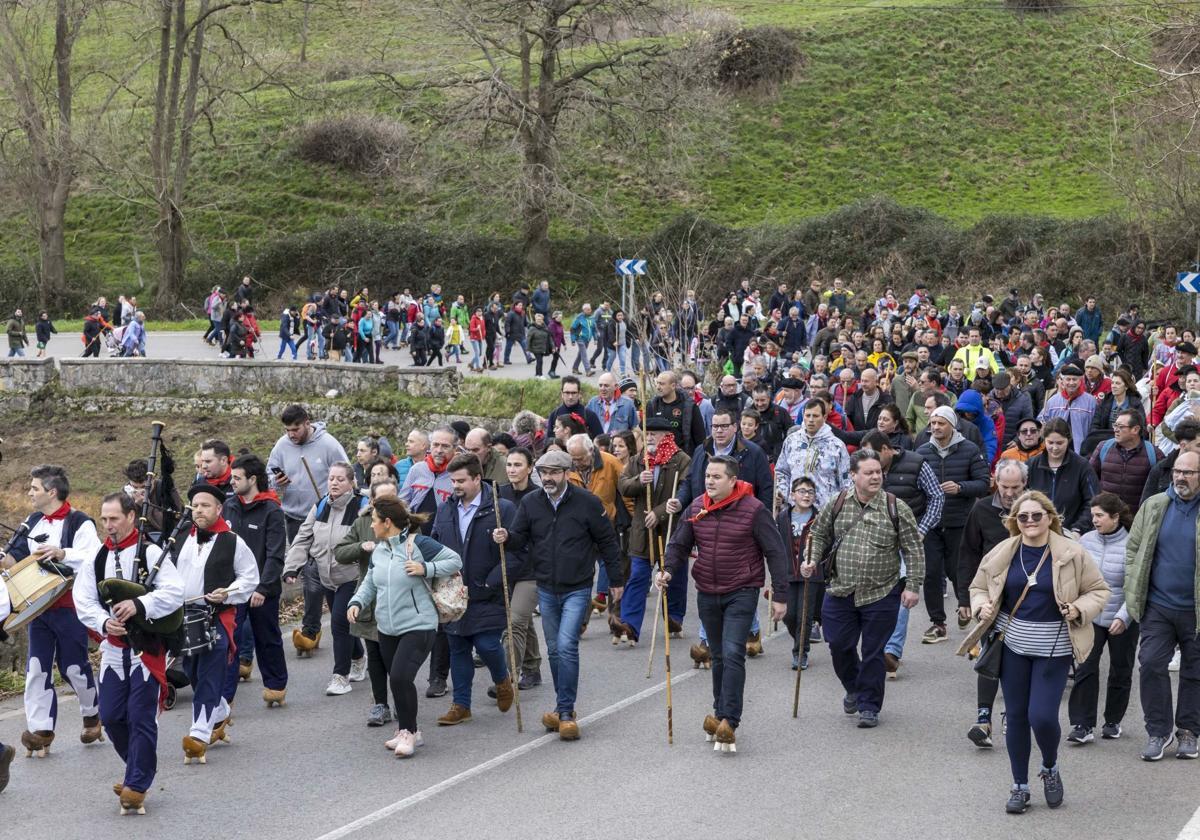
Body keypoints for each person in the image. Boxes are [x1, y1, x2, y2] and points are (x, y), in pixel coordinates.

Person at [962, 490, 1109, 813]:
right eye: (1022, 517)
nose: (1029, 522)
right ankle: (1019, 786)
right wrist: (981, 606)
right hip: (1012, 647)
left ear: (1050, 518)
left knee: (1041, 717)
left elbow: (1098, 591)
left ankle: (1050, 767)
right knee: (1015, 717)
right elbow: (978, 587)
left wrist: (1078, 609)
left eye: (1036, 516)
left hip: (1053, 649)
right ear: (1014, 521)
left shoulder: (1072, 552)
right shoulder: (1004, 552)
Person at [491, 450, 624, 741]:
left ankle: (565, 712)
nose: (548, 478)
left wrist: (615, 580)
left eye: (554, 472)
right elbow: (518, 539)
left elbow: (608, 542)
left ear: (567, 473)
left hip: (577, 586)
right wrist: (506, 537)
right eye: (544, 472)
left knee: (566, 646)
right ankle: (562, 707)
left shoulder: (587, 502)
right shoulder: (531, 502)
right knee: (553, 650)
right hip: (546, 587)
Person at [659, 455, 789, 751]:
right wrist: (666, 570)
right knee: (716, 655)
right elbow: (679, 544)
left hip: (741, 589)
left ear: (733, 480)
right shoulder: (696, 507)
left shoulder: (754, 510)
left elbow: (776, 552)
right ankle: (719, 712)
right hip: (707, 590)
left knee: (733, 653)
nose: (710, 481)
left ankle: (730, 720)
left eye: (717, 477)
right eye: (707, 476)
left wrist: (780, 595)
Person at [72, 492, 183, 814]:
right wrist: (104, 621)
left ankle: (137, 782)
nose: (108, 526)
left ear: (131, 517)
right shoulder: (96, 559)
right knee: (111, 716)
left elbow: (174, 592)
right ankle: (138, 767)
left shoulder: (151, 552)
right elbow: (85, 600)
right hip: (113, 649)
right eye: (104, 519)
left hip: (146, 648)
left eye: (114, 519)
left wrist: (139, 603)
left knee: (140, 716)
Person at [803, 449, 925, 728]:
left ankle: (869, 705)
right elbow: (818, 534)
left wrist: (913, 586)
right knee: (838, 645)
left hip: (882, 591)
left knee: (873, 651)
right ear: (853, 475)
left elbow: (914, 550)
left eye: (878, 472)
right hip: (840, 589)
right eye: (868, 472)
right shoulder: (837, 503)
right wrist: (811, 559)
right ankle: (854, 687)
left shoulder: (896, 507)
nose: (875, 477)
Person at [347, 497, 462, 757]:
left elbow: (455, 560)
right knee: (398, 681)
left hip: (419, 624)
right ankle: (410, 731)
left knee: (400, 676)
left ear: (387, 522)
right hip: (387, 627)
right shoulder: (380, 549)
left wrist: (426, 568)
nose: (371, 525)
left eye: (374, 521)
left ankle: (408, 733)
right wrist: (357, 602)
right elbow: (369, 582)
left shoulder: (418, 544)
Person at [2, 464, 103, 756]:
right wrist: (4, 559)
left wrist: (63, 553)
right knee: (36, 668)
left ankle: (92, 714)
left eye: (34, 488)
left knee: (73, 667)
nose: (29, 493)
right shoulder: (32, 520)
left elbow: (94, 557)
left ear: (52, 491)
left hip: (69, 606)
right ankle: (41, 729)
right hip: (37, 608)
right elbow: (15, 559)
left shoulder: (79, 522)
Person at [429, 454, 520, 725]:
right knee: (458, 647)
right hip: (453, 593)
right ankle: (461, 705)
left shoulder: (502, 508)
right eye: (452, 480)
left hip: (487, 591)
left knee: (486, 643)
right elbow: (435, 543)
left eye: (461, 480)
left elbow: (518, 551)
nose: (455, 485)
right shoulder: (446, 509)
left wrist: (491, 580)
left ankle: (503, 679)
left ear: (477, 478)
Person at [174, 483, 260, 765]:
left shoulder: (233, 541)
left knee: (210, 674)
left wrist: (229, 592)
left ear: (219, 509)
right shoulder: (180, 538)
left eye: (205, 505)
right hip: (182, 618)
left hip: (216, 617)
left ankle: (198, 735)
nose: (199, 510)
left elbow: (249, 578)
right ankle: (220, 711)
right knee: (193, 673)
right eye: (195, 505)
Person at [1124, 449, 1200, 761]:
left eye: (1189, 473)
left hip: (1195, 610)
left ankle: (1188, 731)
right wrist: (1133, 585)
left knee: (1195, 672)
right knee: (1152, 664)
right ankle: (1158, 731)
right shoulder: (1155, 505)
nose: (1180, 477)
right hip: (1158, 604)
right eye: (1177, 471)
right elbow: (1133, 549)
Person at [958, 459, 1028, 748]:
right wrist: (965, 598)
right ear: (995, 482)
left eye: (1016, 487)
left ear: (1026, 484)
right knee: (991, 655)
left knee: (1018, 661)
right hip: (991, 595)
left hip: (1028, 596)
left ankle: (1012, 713)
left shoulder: (1035, 511)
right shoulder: (982, 509)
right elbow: (968, 554)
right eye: (1005, 486)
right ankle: (983, 718)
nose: (1010, 493)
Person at [283, 462, 368, 695]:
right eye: (331, 478)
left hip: (353, 576)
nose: (334, 483)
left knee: (339, 623)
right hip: (326, 575)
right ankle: (359, 658)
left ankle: (341, 677)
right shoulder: (321, 506)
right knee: (344, 624)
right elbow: (303, 537)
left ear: (351, 483)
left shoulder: (362, 506)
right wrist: (291, 567)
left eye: (341, 479)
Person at [916, 405, 990, 643]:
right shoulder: (923, 451)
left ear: (952, 425)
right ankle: (937, 623)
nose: (936, 428)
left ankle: (965, 605)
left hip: (960, 521)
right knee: (931, 573)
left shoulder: (969, 449)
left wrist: (961, 488)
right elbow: (914, 485)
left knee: (957, 570)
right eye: (933, 424)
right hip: (931, 523)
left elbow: (983, 483)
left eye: (941, 423)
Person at [1067, 492, 1137, 744]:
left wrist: (1124, 617)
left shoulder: (1131, 543)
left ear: (1115, 517)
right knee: (1086, 668)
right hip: (1091, 615)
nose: (1094, 520)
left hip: (1122, 617)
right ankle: (1082, 725)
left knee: (1121, 670)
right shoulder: (1086, 541)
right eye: (1092, 515)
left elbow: (1136, 586)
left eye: (1099, 516)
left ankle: (1113, 721)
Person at [613, 418, 691, 645]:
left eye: (654, 434)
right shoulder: (639, 460)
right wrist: (639, 480)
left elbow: (685, 490)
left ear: (667, 436)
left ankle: (674, 618)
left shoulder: (681, 460)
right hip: (642, 530)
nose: (649, 438)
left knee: (673, 576)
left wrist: (660, 512)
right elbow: (623, 486)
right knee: (637, 576)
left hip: (671, 529)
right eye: (646, 434)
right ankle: (629, 624)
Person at [222, 454, 289, 707]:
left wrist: (263, 587)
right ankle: (224, 699)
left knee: (267, 639)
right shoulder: (229, 506)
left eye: (237, 478)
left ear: (252, 479)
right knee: (230, 642)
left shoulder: (271, 510)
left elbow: (275, 554)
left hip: (262, 590)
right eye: (231, 477)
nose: (232, 482)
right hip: (233, 589)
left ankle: (276, 685)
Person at [497, 447, 544, 688]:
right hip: (506, 567)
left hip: (531, 569)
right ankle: (532, 667)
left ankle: (506, 677)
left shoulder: (539, 496)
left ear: (530, 468)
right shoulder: (499, 494)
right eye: (509, 465)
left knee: (514, 622)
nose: (512, 469)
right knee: (522, 620)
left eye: (517, 465)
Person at [775, 399, 851, 510]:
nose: (810, 420)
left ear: (824, 417)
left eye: (815, 416)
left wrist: (839, 508)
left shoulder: (837, 446)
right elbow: (782, 471)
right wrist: (784, 495)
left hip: (824, 510)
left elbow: (846, 481)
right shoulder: (791, 441)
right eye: (808, 415)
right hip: (794, 508)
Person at [778, 477, 821, 671]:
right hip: (788, 571)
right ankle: (800, 638)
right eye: (802, 491)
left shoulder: (819, 518)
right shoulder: (782, 517)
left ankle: (800, 651)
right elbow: (776, 544)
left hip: (810, 574)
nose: (806, 495)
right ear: (792, 495)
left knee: (804, 615)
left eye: (810, 492)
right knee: (790, 615)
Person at [1026, 418, 1097, 534]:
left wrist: (1078, 528)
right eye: (1050, 443)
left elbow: (1092, 501)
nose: (1054, 448)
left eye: (1060, 443)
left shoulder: (1082, 466)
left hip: (1070, 533)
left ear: (1068, 440)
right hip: (1036, 531)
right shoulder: (1031, 465)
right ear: (1044, 440)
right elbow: (1021, 498)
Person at [1088, 409, 1161, 516]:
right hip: (1106, 518)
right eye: (1115, 425)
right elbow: (1089, 479)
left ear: (1135, 429)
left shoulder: (1154, 454)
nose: (1116, 430)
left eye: (1121, 427)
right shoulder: (1103, 447)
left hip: (1137, 519)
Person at [1038, 366, 1098, 454]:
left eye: (1074, 379)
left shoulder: (1091, 401)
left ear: (1080, 381)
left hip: (1081, 450)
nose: (1071, 383)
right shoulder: (1053, 401)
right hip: (1056, 450)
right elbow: (1042, 420)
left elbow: (1095, 426)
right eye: (1068, 379)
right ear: (1062, 381)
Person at [646, 370, 706, 455]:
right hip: (658, 457)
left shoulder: (689, 406)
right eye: (657, 383)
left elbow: (700, 437)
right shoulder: (652, 405)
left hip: (683, 458)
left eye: (662, 384)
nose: (658, 387)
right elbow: (646, 433)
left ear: (673, 386)